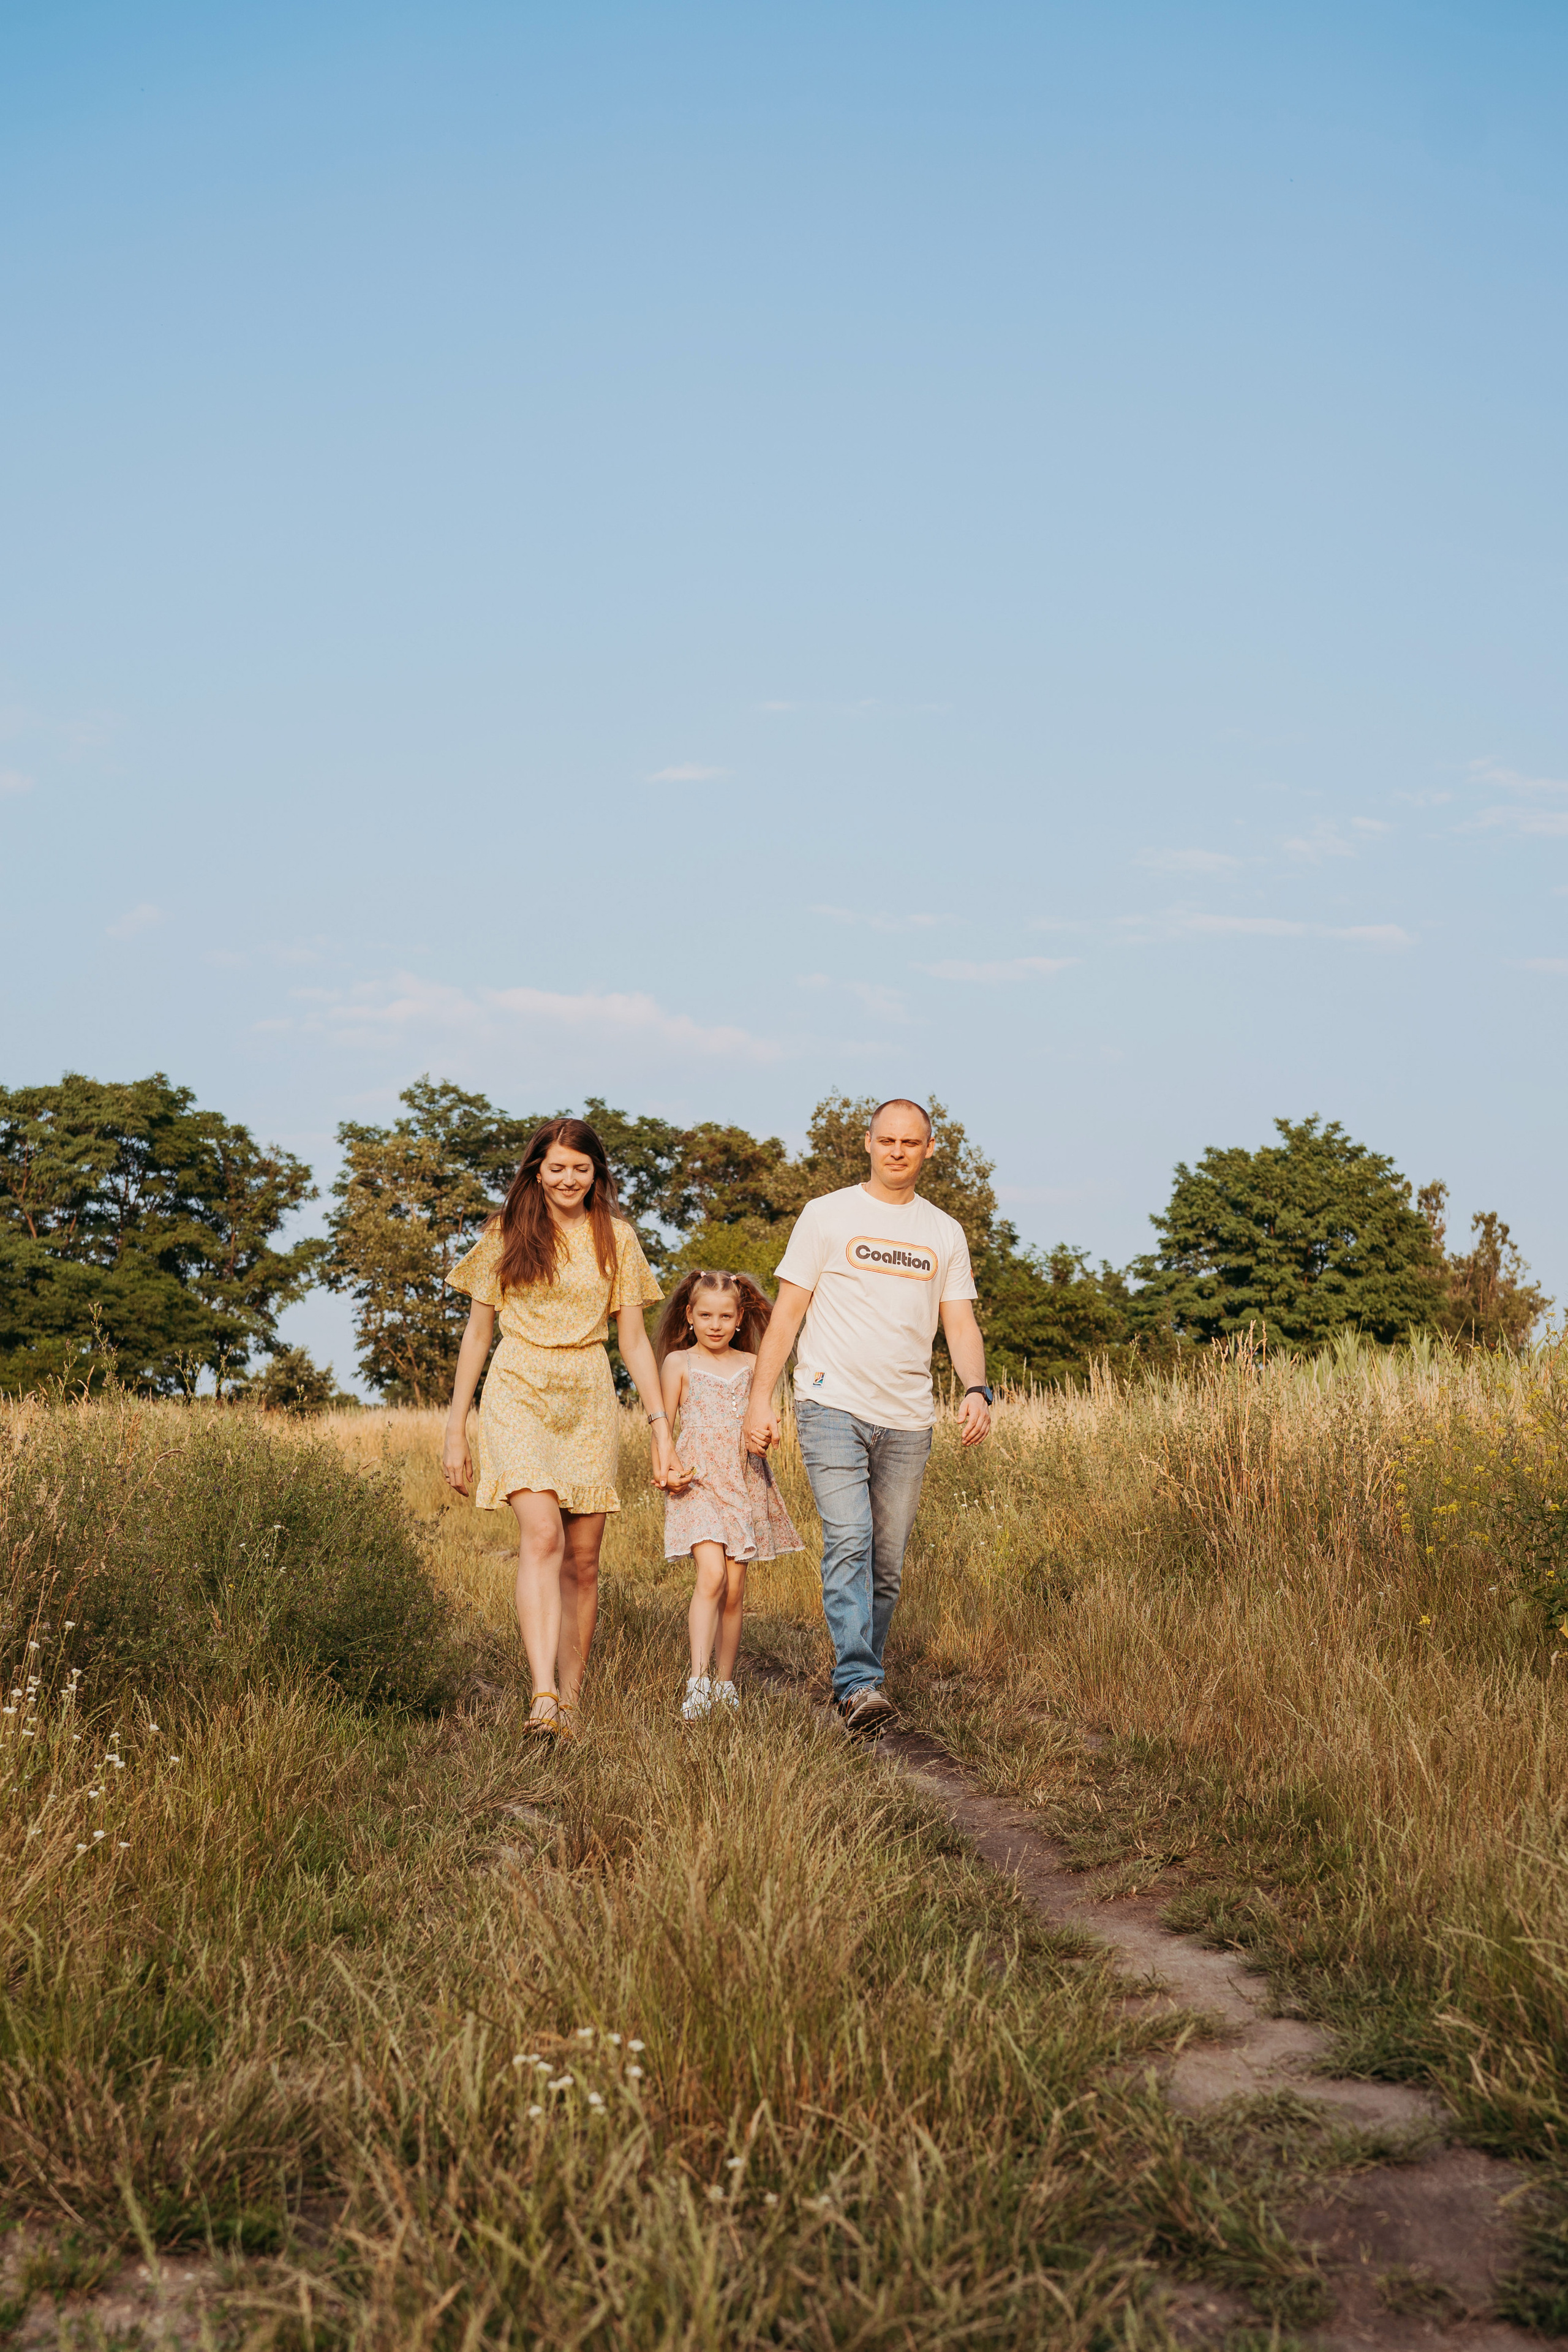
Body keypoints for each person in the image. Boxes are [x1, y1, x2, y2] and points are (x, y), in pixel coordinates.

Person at [742, 1098, 992, 1735]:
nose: (898, 1151)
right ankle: (858, 1684)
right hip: (830, 1403)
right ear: (867, 1142)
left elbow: (958, 1320)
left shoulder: (944, 1232)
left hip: (908, 1417)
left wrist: (976, 1387)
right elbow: (789, 1312)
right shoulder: (826, 1215)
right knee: (850, 1538)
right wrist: (760, 1399)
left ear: (929, 1149)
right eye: (887, 1140)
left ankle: (862, 1679)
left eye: (911, 1142)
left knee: (886, 1563)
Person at [441, 1117, 676, 1736]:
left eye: (580, 1167)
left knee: (583, 1559)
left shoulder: (616, 1237)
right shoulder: (505, 1233)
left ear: (596, 1173)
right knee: (542, 1535)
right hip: (518, 1387)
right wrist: (455, 1428)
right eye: (556, 1167)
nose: (568, 1178)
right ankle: (541, 1694)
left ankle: (571, 1700)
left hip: (589, 1396)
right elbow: (477, 1333)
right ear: (535, 1171)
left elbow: (633, 1340)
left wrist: (659, 1428)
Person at [656, 1268, 802, 1721]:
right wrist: (665, 1470)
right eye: (706, 1315)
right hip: (697, 1481)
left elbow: (764, 1419)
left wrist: (765, 1435)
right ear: (690, 1315)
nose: (715, 1324)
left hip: (744, 1482)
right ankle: (697, 1682)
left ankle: (725, 1682)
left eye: (725, 1316)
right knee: (712, 1577)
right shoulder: (678, 1363)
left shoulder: (755, 1364)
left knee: (735, 1591)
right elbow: (662, 1428)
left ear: (740, 1318)